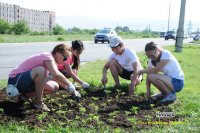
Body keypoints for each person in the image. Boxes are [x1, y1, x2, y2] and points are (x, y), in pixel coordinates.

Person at [6, 44, 81, 111]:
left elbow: (55, 78)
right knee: (41, 70)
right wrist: (70, 84)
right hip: (15, 81)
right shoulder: (48, 56)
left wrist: (68, 88)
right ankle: (39, 103)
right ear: (58, 53)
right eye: (64, 58)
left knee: (54, 86)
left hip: (25, 83)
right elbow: (56, 74)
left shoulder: (52, 62)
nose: (64, 61)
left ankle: (24, 96)